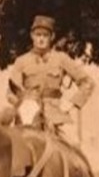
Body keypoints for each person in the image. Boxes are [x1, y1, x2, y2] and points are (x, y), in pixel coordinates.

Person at [7, 15, 94, 143]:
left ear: (51, 37)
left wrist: (71, 104)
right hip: (28, 117)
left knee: (74, 144)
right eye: (38, 35)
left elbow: (88, 82)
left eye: (45, 35)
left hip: (55, 115)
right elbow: (10, 93)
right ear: (32, 36)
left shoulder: (61, 59)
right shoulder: (21, 61)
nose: (41, 39)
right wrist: (24, 104)